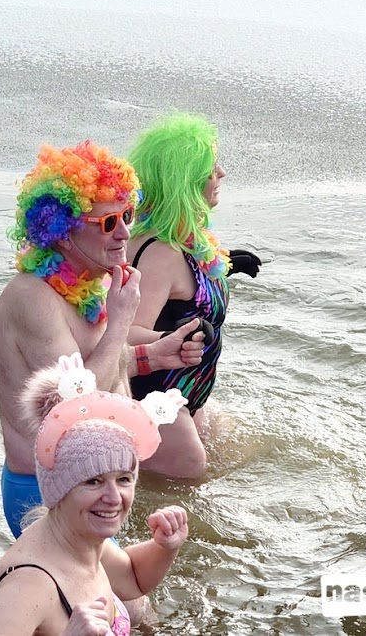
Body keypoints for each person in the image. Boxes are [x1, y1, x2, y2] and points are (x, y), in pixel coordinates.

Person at [0, 141, 206, 538]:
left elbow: (96, 364)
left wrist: (154, 356)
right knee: (118, 583)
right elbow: (75, 403)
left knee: (128, 579)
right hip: (48, 493)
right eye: (108, 223)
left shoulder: (87, 283)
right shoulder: (33, 297)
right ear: (63, 231)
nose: (125, 233)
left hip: (93, 483)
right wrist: (121, 320)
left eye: (127, 215)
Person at [0, 354, 190, 636]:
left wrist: (164, 547)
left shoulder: (82, 540)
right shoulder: (27, 586)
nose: (114, 498)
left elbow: (132, 579)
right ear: (59, 489)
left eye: (124, 479)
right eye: (93, 481)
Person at [124, 113, 260, 479]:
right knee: (190, 471)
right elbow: (124, 333)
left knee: (237, 446)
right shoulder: (160, 253)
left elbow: (183, 292)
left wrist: (225, 265)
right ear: (185, 181)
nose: (222, 174)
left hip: (186, 391)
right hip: (154, 395)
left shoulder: (185, 240)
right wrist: (173, 337)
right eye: (211, 168)